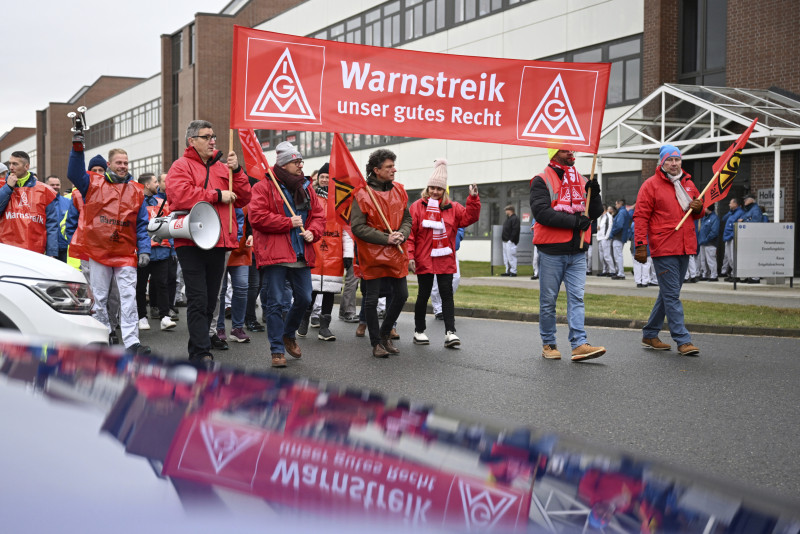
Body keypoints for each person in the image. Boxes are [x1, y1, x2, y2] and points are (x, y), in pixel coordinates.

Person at [166, 120, 251, 368]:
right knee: (198, 298)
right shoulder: (180, 166)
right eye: (207, 136)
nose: (213, 140)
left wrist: (239, 172)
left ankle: (198, 348)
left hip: (219, 240)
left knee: (210, 300)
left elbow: (243, 197)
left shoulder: (224, 167)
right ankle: (202, 352)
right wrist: (216, 195)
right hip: (191, 241)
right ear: (192, 141)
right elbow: (179, 196)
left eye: (214, 136)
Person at [67, 138, 151, 355]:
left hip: (124, 254)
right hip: (98, 252)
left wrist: (144, 250)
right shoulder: (93, 184)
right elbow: (74, 174)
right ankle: (103, 336)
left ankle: (132, 341)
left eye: (125, 162)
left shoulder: (137, 190)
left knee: (128, 296)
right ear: (109, 165)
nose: (123, 166)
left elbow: (142, 225)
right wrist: (77, 148)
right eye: (118, 162)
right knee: (100, 297)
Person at [249, 141, 324, 368]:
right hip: (275, 254)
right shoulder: (263, 187)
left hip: (301, 252)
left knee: (304, 298)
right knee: (275, 303)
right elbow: (257, 217)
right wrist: (287, 222)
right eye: (295, 162)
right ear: (284, 164)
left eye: (300, 161)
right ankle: (276, 350)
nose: (300, 166)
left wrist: (314, 232)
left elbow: (319, 216)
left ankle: (288, 333)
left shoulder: (306, 186)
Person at [531, 148, 606, 362]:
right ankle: (549, 343)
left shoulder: (582, 179)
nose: (571, 154)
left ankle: (579, 344)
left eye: (572, 150)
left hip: (577, 251)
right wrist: (575, 222)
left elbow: (594, 213)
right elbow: (542, 213)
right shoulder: (541, 180)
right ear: (554, 154)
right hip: (552, 250)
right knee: (548, 301)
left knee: (577, 298)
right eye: (566, 151)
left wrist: (595, 194)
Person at [634, 145, 703, 356]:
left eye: (677, 159)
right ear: (661, 163)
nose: (674, 164)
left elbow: (696, 213)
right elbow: (640, 216)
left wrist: (700, 208)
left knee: (667, 294)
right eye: (669, 160)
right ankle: (683, 340)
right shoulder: (650, 185)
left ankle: (650, 333)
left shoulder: (688, 184)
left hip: (685, 246)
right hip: (663, 247)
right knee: (672, 295)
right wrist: (640, 245)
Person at [408, 159, 480, 348]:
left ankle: (451, 333)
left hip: (445, 258)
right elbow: (411, 235)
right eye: (432, 188)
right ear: (427, 187)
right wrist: (409, 257)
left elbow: (469, 218)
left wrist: (472, 199)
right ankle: (419, 331)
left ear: (444, 191)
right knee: (423, 295)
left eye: (439, 189)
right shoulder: (417, 207)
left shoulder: (454, 208)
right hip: (424, 259)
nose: (434, 192)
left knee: (446, 295)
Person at [350, 148, 412, 358]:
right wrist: (386, 238)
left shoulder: (400, 191)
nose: (394, 169)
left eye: (393, 165)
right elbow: (358, 227)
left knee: (402, 294)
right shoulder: (362, 194)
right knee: (371, 299)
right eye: (389, 166)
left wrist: (401, 234)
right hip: (372, 254)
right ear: (376, 170)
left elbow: (407, 220)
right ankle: (376, 342)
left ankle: (385, 334)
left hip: (396, 252)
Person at [298, 161, 344, 342]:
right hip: (314, 249)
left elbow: (346, 228)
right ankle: (303, 321)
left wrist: (347, 255)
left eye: (328, 177)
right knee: (312, 290)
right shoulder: (310, 197)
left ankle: (324, 327)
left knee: (330, 292)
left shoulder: (341, 201)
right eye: (322, 177)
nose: (325, 180)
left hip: (334, 252)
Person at [136, 173, 176, 332]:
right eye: (154, 182)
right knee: (140, 287)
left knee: (162, 284)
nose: (157, 184)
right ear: (146, 185)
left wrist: (172, 248)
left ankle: (165, 317)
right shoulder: (135, 202)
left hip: (162, 250)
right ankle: (141, 317)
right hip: (141, 252)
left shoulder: (162, 202)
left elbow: (170, 225)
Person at [0, 151, 59, 257]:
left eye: (15, 164)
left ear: (26, 166)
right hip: (7, 251)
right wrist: (8, 188)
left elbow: (52, 225)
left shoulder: (44, 190)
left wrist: (52, 253)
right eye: (10, 163)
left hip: (35, 252)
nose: (11, 167)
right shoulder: (2, 186)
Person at [738, 195, 765, 284]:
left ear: (752, 200)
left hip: (754, 238)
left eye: (746, 199)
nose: (744, 200)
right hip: (748, 237)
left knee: (754, 257)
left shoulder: (755, 210)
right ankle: (750, 275)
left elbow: (755, 224)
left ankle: (755, 277)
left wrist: (744, 222)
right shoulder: (749, 210)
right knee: (749, 258)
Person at [46, 175, 72, 262]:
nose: (55, 187)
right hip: (48, 249)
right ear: (46, 185)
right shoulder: (42, 202)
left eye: (57, 185)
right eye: (52, 185)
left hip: (64, 248)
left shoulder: (67, 202)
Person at [721, 198, 743, 282]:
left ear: (735, 204)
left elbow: (737, 226)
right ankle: (733, 273)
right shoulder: (732, 213)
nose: (729, 205)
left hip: (732, 237)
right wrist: (730, 212)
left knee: (733, 257)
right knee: (729, 257)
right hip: (727, 237)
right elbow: (723, 219)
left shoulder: (740, 213)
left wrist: (732, 235)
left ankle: (736, 274)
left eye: (730, 203)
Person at [610, 198, 631, 280]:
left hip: (618, 237)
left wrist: (613, 233)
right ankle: (620, 272)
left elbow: (619, 225)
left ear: (619, 203)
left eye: (616, 204)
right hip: (621, 236)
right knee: (618, 255)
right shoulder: (623, 212)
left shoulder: (621, 212)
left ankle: (620, 273)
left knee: (618, 256)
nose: (616, 205)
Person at [697, 205, 719, 281]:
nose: (704, 209)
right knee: (703, 260)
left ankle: (714, 275)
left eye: (705, 207)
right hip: (703, 242)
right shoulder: (704, 218)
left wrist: (706, 239)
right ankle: (705, 274)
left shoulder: (714, 218)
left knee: (711, 260)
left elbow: (714, 232)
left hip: (710, 243)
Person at [596, 205, 615, 276]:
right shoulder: (601, 217)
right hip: (600, 238)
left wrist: (606, 237)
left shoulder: (608, 217)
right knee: (602, 256)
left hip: (605, 238)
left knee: (607, 255)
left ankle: (612, 270)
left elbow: (609, 227)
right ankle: (605, 270)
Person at [501, 205, 519, 276]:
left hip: (510, 241)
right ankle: (507, 271)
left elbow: (515, 229)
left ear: (510, 210)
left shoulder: (515, 218)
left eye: (506, 210)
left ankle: (513, 271)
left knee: (511, 256)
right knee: (506, 257)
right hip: (505, 241)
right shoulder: (509, 219)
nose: (505, 212)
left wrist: (511, 239)